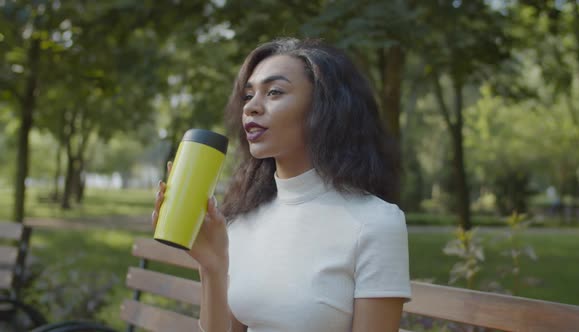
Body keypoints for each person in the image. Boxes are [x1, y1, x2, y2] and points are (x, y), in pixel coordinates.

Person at [152, 38, 411, 332]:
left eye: (274, 92)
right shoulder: (242, 217)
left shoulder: (375, 223)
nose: (251, 107)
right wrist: (212, 267)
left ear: (324, 108)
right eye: (248, 95)